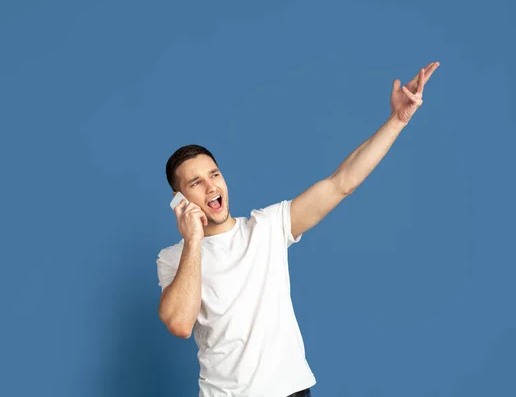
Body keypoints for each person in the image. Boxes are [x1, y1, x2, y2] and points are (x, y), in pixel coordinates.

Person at [156, 62, 440, 397]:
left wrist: (397, 121)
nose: (210, 186)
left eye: (214, 174)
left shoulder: (266, 227)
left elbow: (341, 184)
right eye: (195, 182)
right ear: (180, 199)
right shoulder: (174, 258)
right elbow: (179, 324)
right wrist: (193, 240)